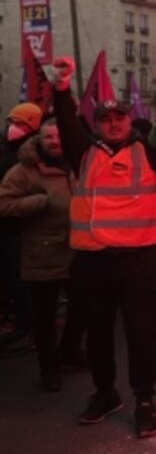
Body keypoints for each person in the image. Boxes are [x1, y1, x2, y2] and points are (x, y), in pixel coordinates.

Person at [51, 54, 156, 439]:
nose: (113, 123)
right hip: (93, 263)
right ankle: (105, 393)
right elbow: (66, 122)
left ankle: (144, 400)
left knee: (142, 336)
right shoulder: (83, 154)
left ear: (129, 119)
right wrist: (61, 87)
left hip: (139, 262)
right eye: (105, 119)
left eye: (120, 117)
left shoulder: (149, 152)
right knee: (98, 334)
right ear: (97, 124)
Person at [0, 119, 86, 391]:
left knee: (83, 306)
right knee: (45, 316)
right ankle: (49, 368)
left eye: (60, 137)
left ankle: (69, 352)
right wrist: (37, 203)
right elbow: (4, 203)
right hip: (42, 252)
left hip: (76, 249)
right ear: (39, 140)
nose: (55, 142)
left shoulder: (76, 164)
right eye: (49, 137)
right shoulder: (24, 170)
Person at [0, 102, 44, 351]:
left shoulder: (30, 155)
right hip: (5, 225)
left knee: (20, 279)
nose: (13, 128)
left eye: (20, 124)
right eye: (12, 123)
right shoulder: (7, 148)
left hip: (17, 228)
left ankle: (27, 328)